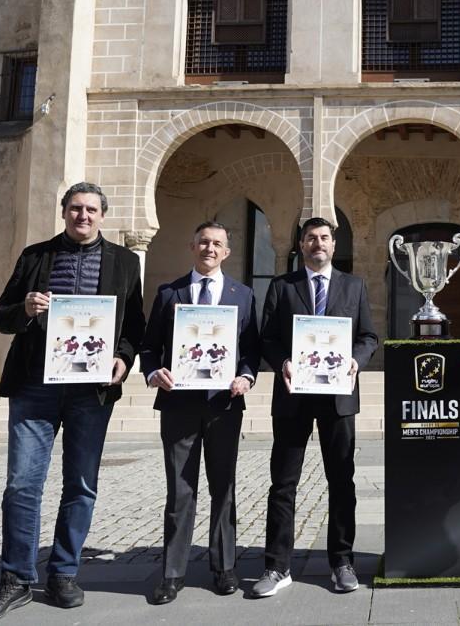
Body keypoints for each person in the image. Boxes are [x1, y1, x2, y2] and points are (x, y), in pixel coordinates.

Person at [0, 182, 145, 622]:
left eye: (90, 209)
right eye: (75, 209)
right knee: (22, 485)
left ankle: (64, 573)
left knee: (81, 484)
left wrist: (123, 360)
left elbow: (135, 326)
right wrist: (26, 308)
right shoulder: (35, 256)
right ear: (63, 212)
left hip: (91, 391)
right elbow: (0, 316)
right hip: (36, 386)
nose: (82, 216)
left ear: (102, 215)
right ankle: (16, 579)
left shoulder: (125, 262)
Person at [252, 217, 379, 597]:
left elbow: (368, 335)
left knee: (341, 481)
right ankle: (277, 567)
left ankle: (341, 562)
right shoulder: (282, 286)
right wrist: (282, 363)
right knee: (283, 483)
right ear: (301, 245)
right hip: (293, 396)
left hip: (338, 398)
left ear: (334, 244)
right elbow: (268, 339)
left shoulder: (353, 286)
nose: (317, 244)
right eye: (310, 238)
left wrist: (357, 358)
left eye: (324, 238)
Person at [141, 222, 260, 605]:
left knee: (223, 487)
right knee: (180, 490)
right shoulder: (169, 293)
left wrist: (246, 375)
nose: (210, 248)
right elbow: (149, 347)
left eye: (218, 244)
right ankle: (172, 573)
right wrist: (152, 371)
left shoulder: (243, 295)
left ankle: (224, 567)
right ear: (192, 246)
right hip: (179, 405)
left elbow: (250, 350)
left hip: (224, 405)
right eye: (204, 242)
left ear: (227, 251)